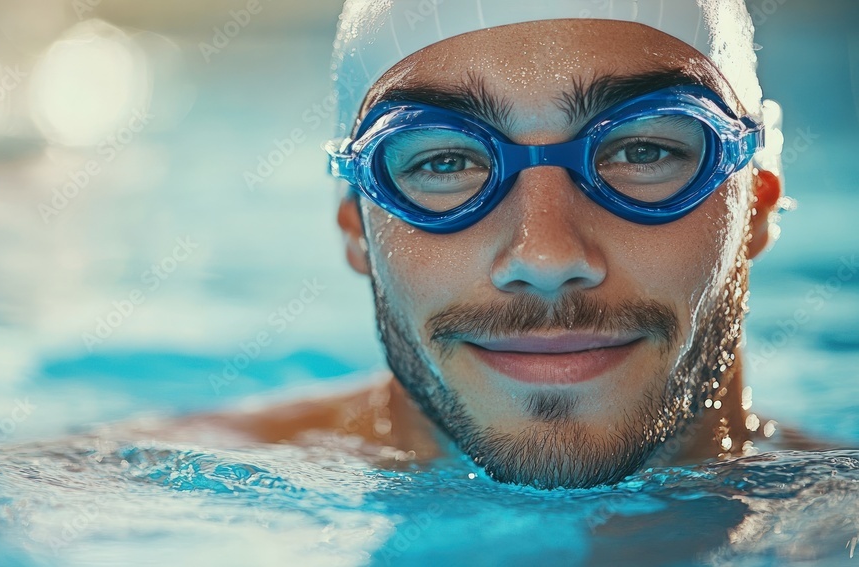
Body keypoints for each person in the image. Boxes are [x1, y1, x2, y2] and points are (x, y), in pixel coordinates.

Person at [158, 0, 827, 490]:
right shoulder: (146, 501)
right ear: (359, 226)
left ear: (756, 207)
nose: (546, 258)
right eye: (446, 163)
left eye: (642, 150)